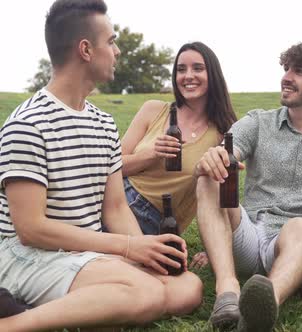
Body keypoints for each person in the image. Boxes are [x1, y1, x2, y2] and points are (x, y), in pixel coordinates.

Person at [0, 0, 203, 330]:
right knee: (147, 292)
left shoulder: (104, 123)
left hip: (84, 252)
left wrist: (144, 250)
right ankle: (12, 324)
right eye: (111, 41)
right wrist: (125, 247)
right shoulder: (28, 124)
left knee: (187, 288)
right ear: (85, 49)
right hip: (27, 255)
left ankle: (84, 306)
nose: (118, 51)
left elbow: (117, 209)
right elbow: (30, 228)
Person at [194, 41, 302, 331]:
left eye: (300, 71)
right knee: (208, 176)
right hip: (248, 233)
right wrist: (215, 158)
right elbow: (226, 155)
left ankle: (265, 307)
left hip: (297, 247)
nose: (287, 77)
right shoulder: (258, 122)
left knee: (301, 226)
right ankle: (227, 293)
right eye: (286, 68)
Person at [121, 41, 237, 236]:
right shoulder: (154, 109)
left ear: (213, 74)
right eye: (181, 69)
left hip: (156, 219)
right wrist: (153, 154)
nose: (188, 76)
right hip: (118, 197)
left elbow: (227, 195)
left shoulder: (223, 133)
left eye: (198, 68)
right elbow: (113, 166)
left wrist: (217, 246)